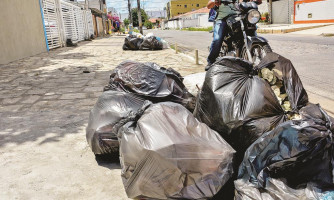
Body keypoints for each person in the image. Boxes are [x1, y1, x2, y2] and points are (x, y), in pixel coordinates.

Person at [206, 0, 236, 70]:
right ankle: (211, 60)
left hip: (236, 18)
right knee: (217, 39)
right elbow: (208, 5)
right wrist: (214, 1)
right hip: (222, 19)